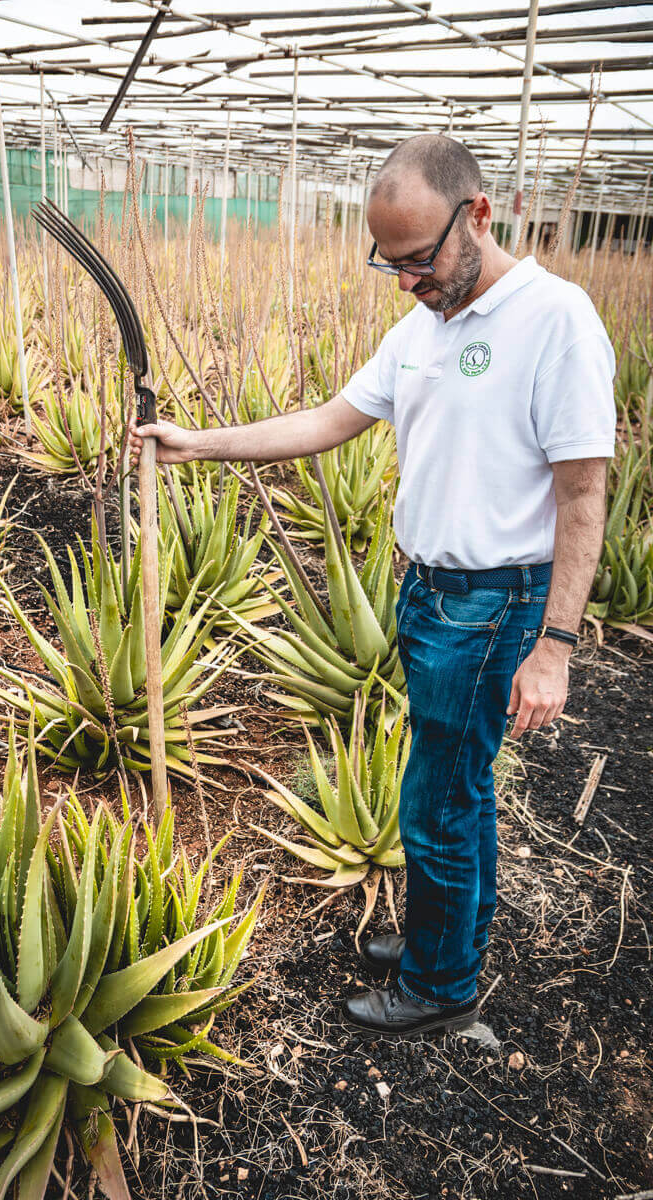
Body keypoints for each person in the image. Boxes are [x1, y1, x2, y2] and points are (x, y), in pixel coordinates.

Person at [129, 134, 616, 1041]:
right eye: (388, 263)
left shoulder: (557, 319)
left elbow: (584, 493)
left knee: (435, 799)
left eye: (418, 259)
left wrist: (556, 647)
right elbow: (326, 422)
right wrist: (196, 442)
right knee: (455, 786)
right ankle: (451, 934)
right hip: (429, 594)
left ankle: (442, 986)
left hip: (494, 603)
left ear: (479, 214)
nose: (405, 281)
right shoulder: (421, 327)